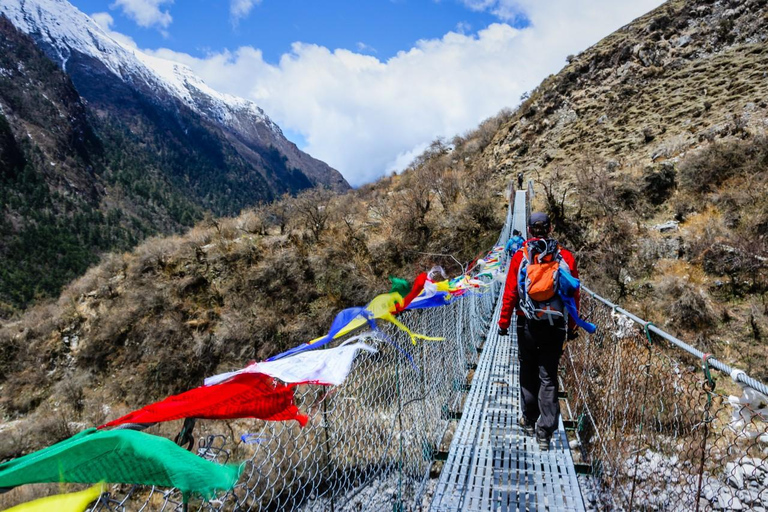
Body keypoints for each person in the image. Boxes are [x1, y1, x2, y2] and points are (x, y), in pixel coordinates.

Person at [497, 212, 580, 451]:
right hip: (555, 325)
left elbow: (511, 292)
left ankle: (530, 420)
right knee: (548, 375)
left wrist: (503, 323)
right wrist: (573, 326)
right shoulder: (565, 256)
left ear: (530, 230)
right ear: (550, 228)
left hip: (527, 323)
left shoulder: (520, 256)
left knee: (528, 370)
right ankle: (545, 432)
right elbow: (574, 295)